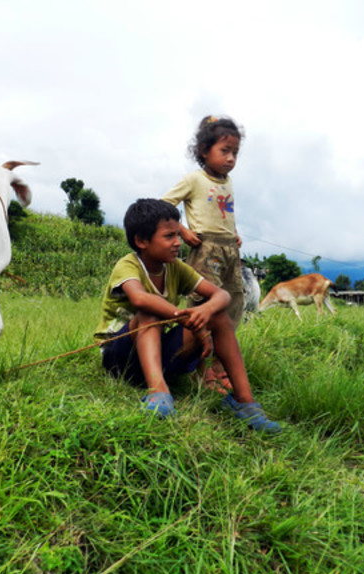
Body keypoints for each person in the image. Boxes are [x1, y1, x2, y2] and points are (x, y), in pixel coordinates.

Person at [94, 198, 280, 432]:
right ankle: (158, 392)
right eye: (169, 236)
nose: (177, 243)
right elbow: (140, 299)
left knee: (218, 316)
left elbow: (221, 295)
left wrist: (205, 310)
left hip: (156, 355)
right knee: (150, 312)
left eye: (177, 235)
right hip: (119, 359)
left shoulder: (174, 267)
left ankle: (245, 402)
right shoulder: (128, 264)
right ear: (141, 241)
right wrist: (183, 317)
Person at [162, 115, 246, 393]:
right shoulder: (194, 180)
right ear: (204, 151)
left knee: (233, 305)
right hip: (204, 250)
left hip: (229, 251)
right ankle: (201, 369)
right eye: (225, 151)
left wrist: (232, 233)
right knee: (205, 309)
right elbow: (163, 205)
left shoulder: (229, 182)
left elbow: (223, 213)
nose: (231, 158)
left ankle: (220, 367)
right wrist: (181, 231)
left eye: (235, 152)